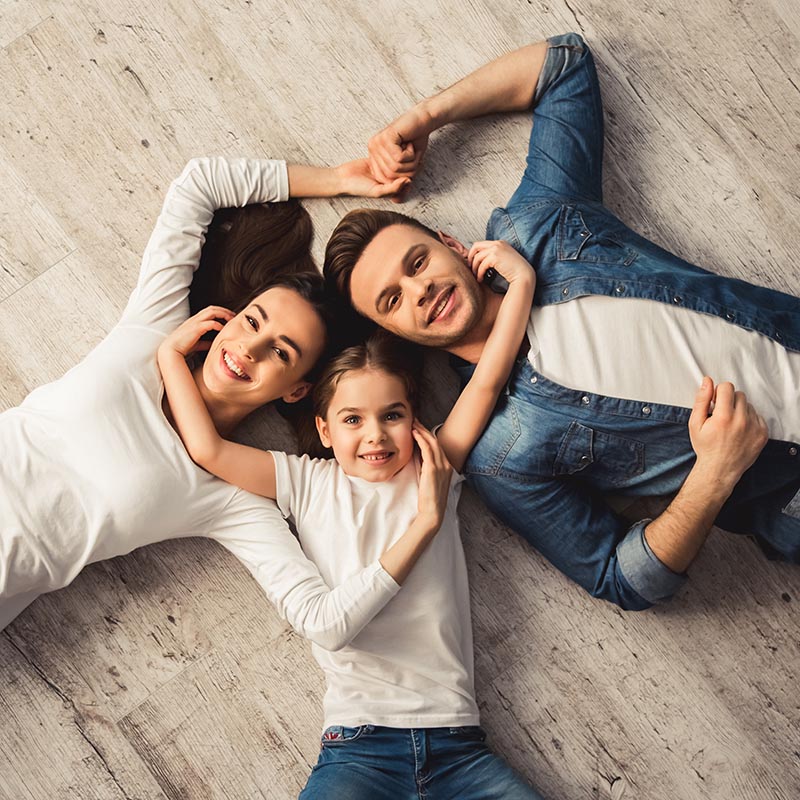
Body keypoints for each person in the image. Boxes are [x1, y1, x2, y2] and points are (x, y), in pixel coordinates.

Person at [323, 32, 800, 611]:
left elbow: (565, 66)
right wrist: (715, 475)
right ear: (395, 334)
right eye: (392, 301)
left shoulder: (541, 226)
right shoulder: (502, 454)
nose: (420, 291)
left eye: (418, 262)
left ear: (450, 243)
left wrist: (422, 118)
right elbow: (621, 579)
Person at [157, 241, 541, 797]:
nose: (375, 435)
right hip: (359, 750)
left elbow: (486, 380)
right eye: (352, 419)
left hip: (460, 748)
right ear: (324, 430)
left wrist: (522, 283)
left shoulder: (433, 466)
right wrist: (171, 357)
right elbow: (209, 450)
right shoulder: (306, 482)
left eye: (392, 416)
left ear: (415, 420)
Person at [0, 154, 411, 631]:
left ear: (298, 390)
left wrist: (423, 527)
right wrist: (339, 179)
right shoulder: (152, 329)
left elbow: (322, 620)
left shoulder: (229, 495)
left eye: (281, 352)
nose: (249, 348)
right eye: (253, 321)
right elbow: (200, 183)